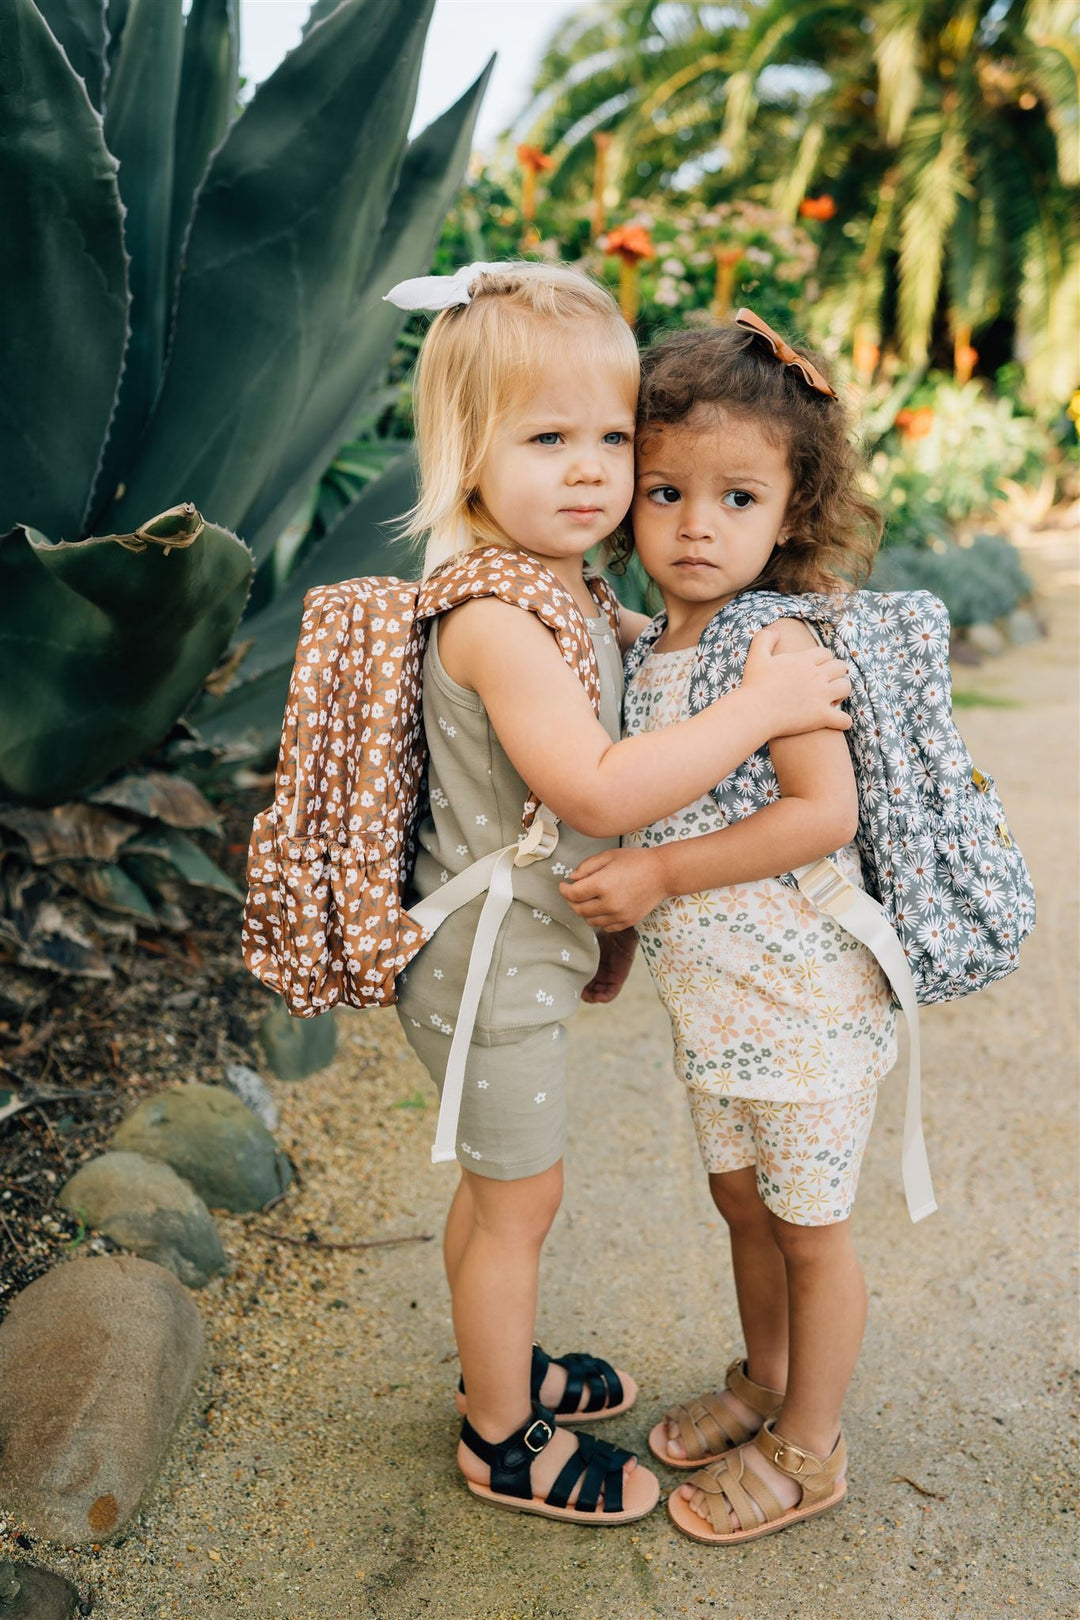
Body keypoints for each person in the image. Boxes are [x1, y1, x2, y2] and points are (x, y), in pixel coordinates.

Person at [385, 264, 854, 1526]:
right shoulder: (495, 616)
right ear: (468, 452)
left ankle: (507, 1361)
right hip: (485, 971)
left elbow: (623, 683)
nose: (591, 470)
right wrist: (757, 707)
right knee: (513, 1200)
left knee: (502, 1194)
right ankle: (499, 1433)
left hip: (511, 958)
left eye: (608, 438)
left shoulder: (565, 588)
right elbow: (594, 788)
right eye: (548, 439)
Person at [560, 314, 898, 1543]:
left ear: (791, 511)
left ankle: (813, 1445)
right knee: (743, 1210)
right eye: (666, 491)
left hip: (804, 1009)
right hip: (717, 1014)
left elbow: (822, 814)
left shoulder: (779, 644)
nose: (697, 525)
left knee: (812, 1234)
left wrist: (655, 875)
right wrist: (617, 933)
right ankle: (765, 1380)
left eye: (737, 495)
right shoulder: (662, 645)